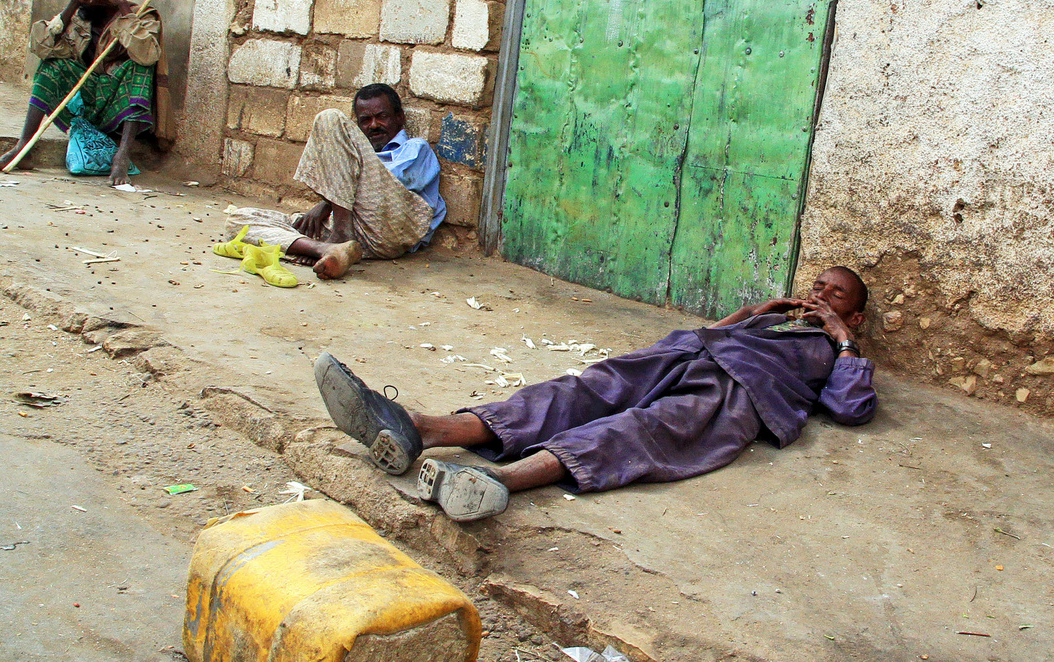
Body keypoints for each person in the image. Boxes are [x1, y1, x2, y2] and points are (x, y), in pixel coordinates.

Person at [314, 266, 877, 520]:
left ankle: (496, 480)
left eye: (836, 294)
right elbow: (698, 336)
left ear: (855, 310)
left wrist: (840, 335)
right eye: (817, 286)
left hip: (736, 395)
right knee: (577, 392)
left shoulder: (834, 349)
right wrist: (751, 313)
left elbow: (851, 409)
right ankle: (423, 428)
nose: (819, 295)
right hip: (685, 356)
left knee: (637, 430)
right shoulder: (768, 320)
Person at [221, 84, 447, 279]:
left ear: (400, 117)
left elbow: (392, 185)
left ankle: (339, 235)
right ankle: (328, 249)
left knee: (329, 118)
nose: (374, 125)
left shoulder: (416, 148)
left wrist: (327, 203)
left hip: (392, 228)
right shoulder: (355, 153)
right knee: (238, 221)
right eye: (365, 120)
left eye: (382, 116)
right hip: (358, 234)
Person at [0, 0, 161, 186]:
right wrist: (73, 3)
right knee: (52, 64)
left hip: (116, 104)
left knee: (140, 68)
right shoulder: (78, 17)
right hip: (84, 103)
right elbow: (41, 48)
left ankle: (122, 157)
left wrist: (123, 7)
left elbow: (147, 55)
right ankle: (23, 147)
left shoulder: (142, 15)